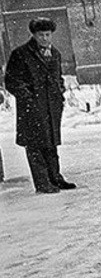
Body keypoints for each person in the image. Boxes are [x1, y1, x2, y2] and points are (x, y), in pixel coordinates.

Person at [4, 17, 77, 193]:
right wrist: (28, 98)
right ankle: (43, 183)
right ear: (34, 35)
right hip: (32, 108)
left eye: (47, 34)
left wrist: (59, 92)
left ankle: (55, 178)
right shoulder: (21, 54)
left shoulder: (55, 54)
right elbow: (11, 81)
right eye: (41, 35)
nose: (45, 38)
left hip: (51, 106)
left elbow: (57, 77)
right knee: (35, 146)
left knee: (51, 143)